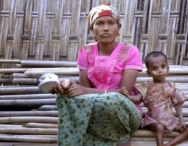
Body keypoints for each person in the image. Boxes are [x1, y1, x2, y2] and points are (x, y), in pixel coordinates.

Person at [51, 3, 143, 146]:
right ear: (92, 29)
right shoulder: (85, 51)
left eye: (111, 23)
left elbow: (123, 95)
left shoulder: (131, 51)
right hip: (95, 108)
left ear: (118, 28)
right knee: (64, 97)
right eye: (99, 23)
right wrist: (66, 86)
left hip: (125, 112)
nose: (105, 28)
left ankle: (121, 137)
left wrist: (84, 90)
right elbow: (83, 96)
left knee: (112, 99)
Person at [121, 51, 188, 146]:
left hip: (169, 120)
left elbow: (178, 105)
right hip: (153, 120)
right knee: (159, 127)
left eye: (163, 67)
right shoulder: (146, 86)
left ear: (168, 68)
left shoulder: (171, 87)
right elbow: (138, 99)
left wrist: (181, 121)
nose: (160, 70)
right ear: (149, 72)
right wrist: (128, 96)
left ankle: (168, 145)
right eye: (155, 68)